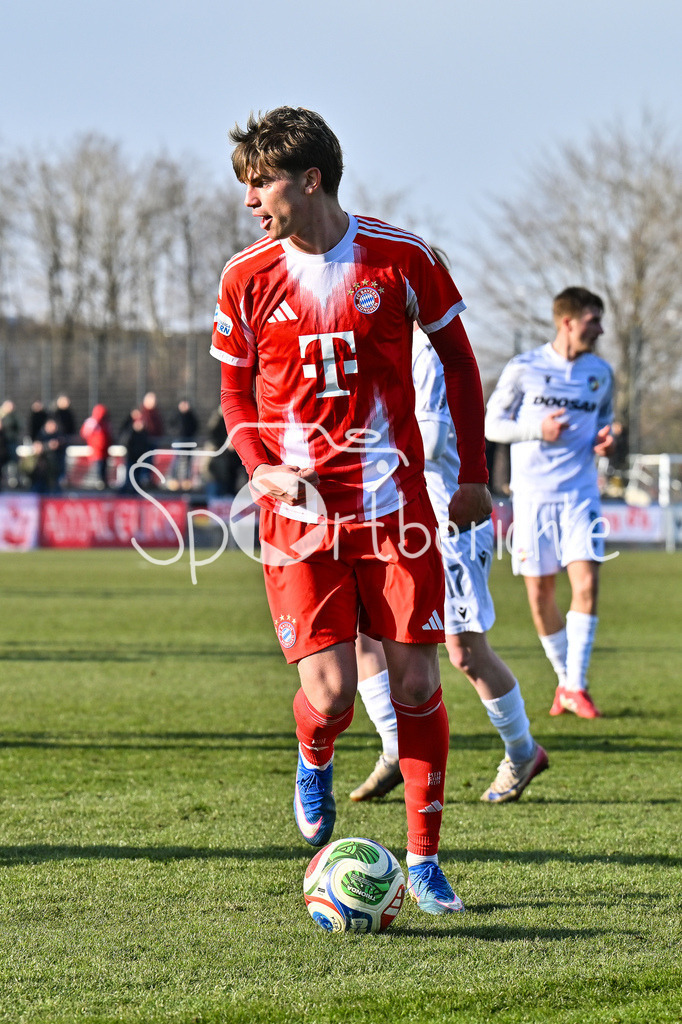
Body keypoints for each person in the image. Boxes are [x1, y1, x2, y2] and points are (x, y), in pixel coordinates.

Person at [211, 106, 491, 915]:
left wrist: (472, 472)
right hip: (299, 514)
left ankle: (427, 860)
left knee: (414, 678)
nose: (249, 201)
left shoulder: (401, 258)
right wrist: (262, 470)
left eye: (259, 184)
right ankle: (313, 752)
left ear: (310, 179)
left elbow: (461, 363)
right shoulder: (245, 277)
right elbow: (233, 394)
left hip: (392, 505)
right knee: (331, 692)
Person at [351, 320, 548, 804]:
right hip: (392, 519)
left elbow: (435, 440)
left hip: (447, 524)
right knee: (363, 632)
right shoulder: (383, 340)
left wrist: (361, 442)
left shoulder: (431, 349)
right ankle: (396, 747)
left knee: (464, 651)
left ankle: (523, 750)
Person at [485, 286, 615, 719]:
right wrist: (537, 429)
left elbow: (605, 423)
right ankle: (565, 682)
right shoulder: (524, 368)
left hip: (581, 494)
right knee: (541, 593)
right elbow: (492, 424)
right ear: (569, 321)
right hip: (533, 497)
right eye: (594, 320)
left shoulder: (600, 373)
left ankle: (575, 684)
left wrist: (606, 439)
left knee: (587, 585)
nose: (600, 329)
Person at [80, 403, 113, 489]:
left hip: (104, 450)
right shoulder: (92, 422)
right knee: (97, 467)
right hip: (96, 450)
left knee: (103, 467)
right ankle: (97, 482)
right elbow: (85, 433)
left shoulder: (106, 423)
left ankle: (102, 482)